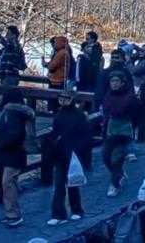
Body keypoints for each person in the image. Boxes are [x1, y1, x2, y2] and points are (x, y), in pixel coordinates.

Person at [46, 95, 92, 225]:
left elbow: (86, 136)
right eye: (61, 99)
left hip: (73, 154)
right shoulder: (59, 115)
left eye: (66, 99)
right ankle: (58, 214)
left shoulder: (80, 116)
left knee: (73, 183)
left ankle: (77, 210)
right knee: (59, 185)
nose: (63, 101)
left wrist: (79, 151)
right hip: (60, 154)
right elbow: (55, 133)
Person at [0, 98, 36, 228]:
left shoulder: (12, 115)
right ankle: (11, 213)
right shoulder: (21, 114)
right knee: (9, 183)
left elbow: (13, 135)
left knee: (7, 183)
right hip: (15, 154)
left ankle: (14, 215)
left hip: (13, 155)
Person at [102, 68, 144, 195]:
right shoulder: (108, 95)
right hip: (110, 131)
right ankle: (119, 173)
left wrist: (132, 127)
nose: (114, 83)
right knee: (106, 157)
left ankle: (115, 185)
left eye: (116, 81)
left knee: (117, 159)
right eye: (112, 81)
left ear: (122, 82)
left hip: (123, 133)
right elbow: (106, 112)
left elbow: (138, 114)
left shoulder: (130, 97)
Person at [78, 31, 104, 97]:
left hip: (92, 75)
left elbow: (95, 60)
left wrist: (87, 57)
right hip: (84, 75)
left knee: (89, 93)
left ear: (93, 39)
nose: (86, 40)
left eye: (88, 39)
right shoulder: (86, 46)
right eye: (86, 38)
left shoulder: (96, 49)